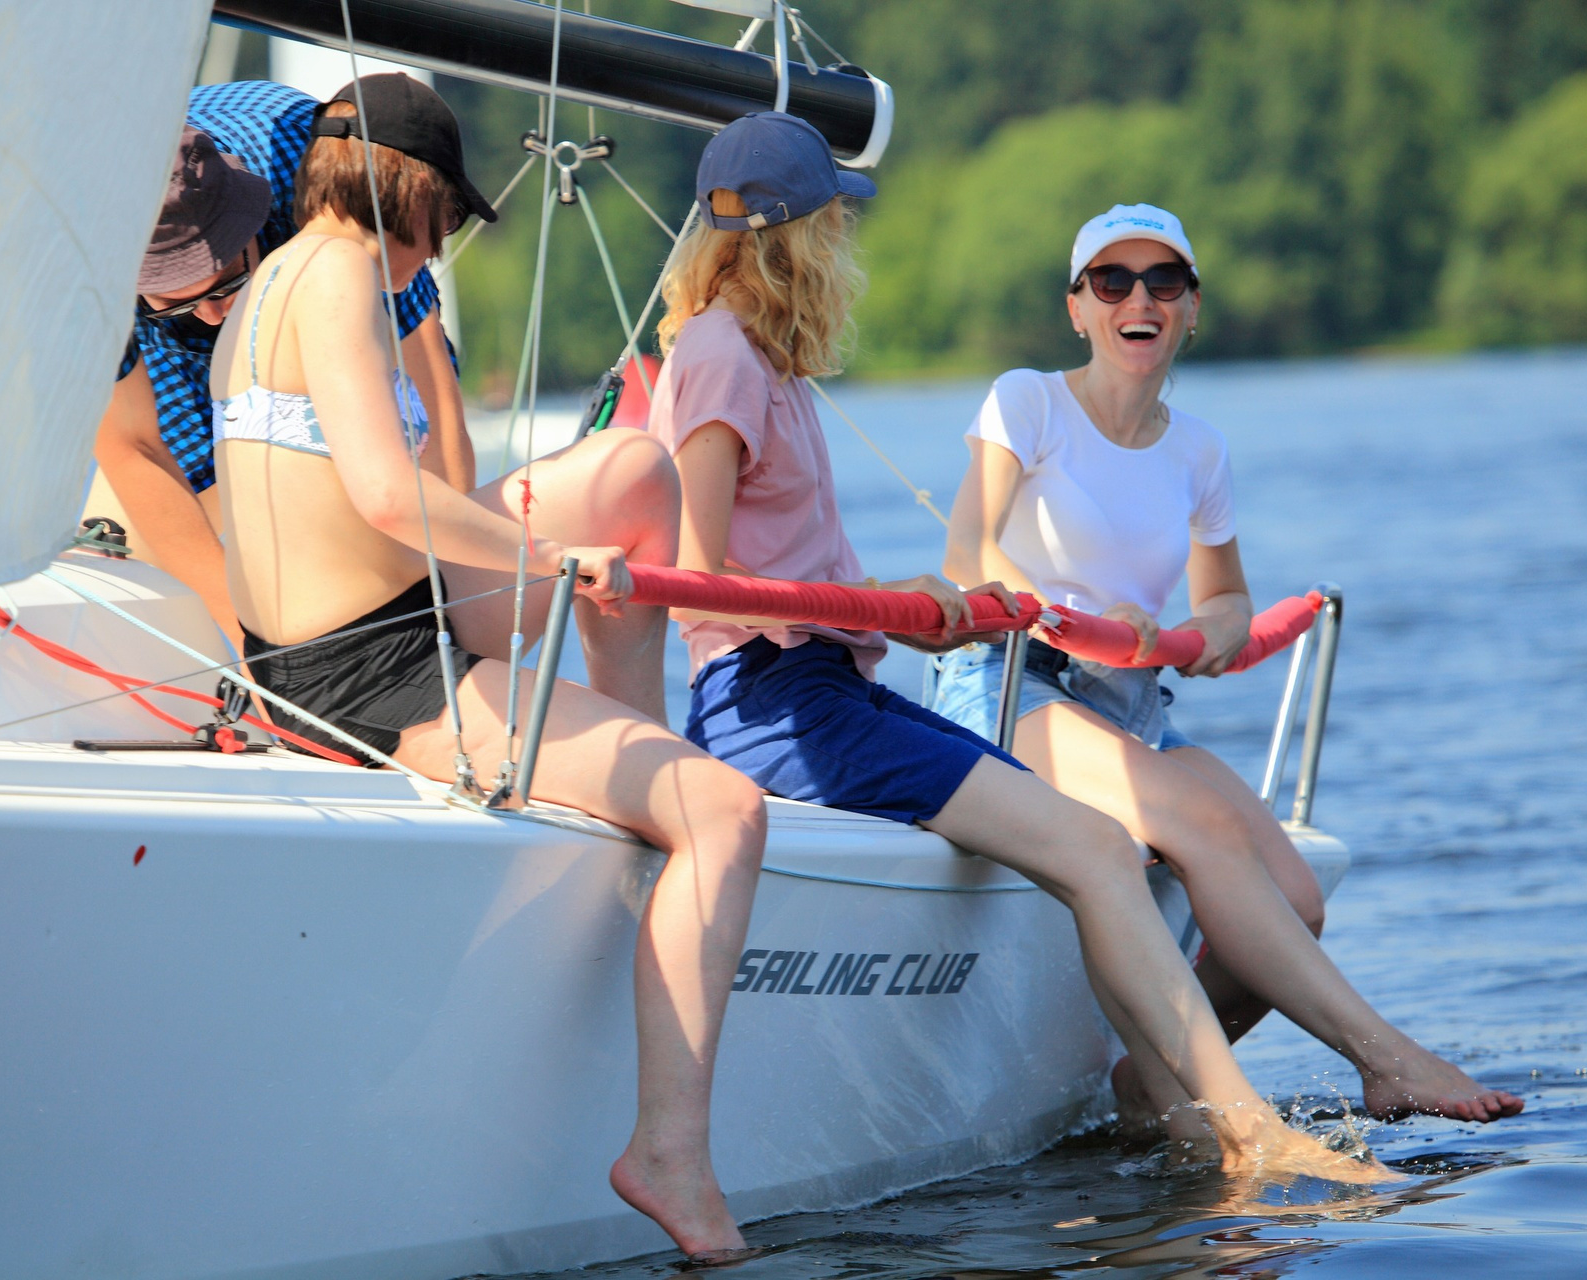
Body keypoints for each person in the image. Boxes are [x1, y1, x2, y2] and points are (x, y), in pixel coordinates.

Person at [649, 113, 1388, 1181]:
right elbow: (699, 573)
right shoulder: (723, 352)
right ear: (795, 232)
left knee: (1093, 842)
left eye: (1164, 283)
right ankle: (1242, 1127)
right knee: (1094, 847)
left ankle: (1199, 1113)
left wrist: (887, 606)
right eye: (834, 224)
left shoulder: (763, 357)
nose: (845, 246)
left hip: (826, 685)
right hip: (771, 696)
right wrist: (883, 601)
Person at [209, 74, 765, 1260]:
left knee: (632, 470)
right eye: (449, 215)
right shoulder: (347, 275)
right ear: (411, 190)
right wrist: (549, 558)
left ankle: (630, 769)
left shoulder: (269, 278)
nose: (444, 242)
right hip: (376, 673)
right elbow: (384, 493)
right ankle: (668, 1151)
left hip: (345, 634)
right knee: (728, 812)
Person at [935, 204, 1523, 1130]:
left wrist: (1207, 630)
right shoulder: (1026, 402)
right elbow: (969, 551)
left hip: (1133, 701)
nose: (1139, 300)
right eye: (1112, 282)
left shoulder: (1199, 449)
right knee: (1208, 827)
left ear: (1192, 308)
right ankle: (1386, 1060)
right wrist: (1081, 623)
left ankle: (1148, 1083)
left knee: (1299, 899)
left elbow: (1228, 600)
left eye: (1163, 281)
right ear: (1077, 309)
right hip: (1012, 686)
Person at [93, 80, 477, 644]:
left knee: (372, 474)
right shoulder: (81, 267)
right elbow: (133, 449)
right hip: (160, 353)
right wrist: (251, 648)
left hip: (320, 318)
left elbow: (427, 382)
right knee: (125, 542)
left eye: (227, 284)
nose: (212, 317)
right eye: (177, 300)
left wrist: (454, 606)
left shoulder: (319, 166)